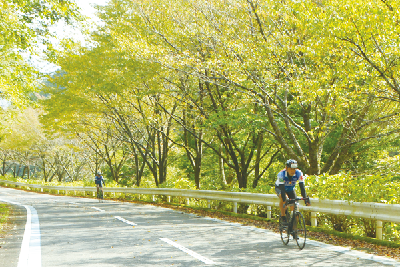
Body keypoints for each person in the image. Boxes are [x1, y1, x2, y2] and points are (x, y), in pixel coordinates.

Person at [275, 159, 310, 226]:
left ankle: (294, 228)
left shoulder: (299, 173)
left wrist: (305, 199)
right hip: (280, 188)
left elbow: (302, 187)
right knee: (284, 197)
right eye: (291, 169)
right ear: (286, 168)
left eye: (294, 169)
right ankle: (283, 216)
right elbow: (282, 190)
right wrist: (285, 201)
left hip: (291, 189)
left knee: (295, 207)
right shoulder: (281, 174)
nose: (292, 171)